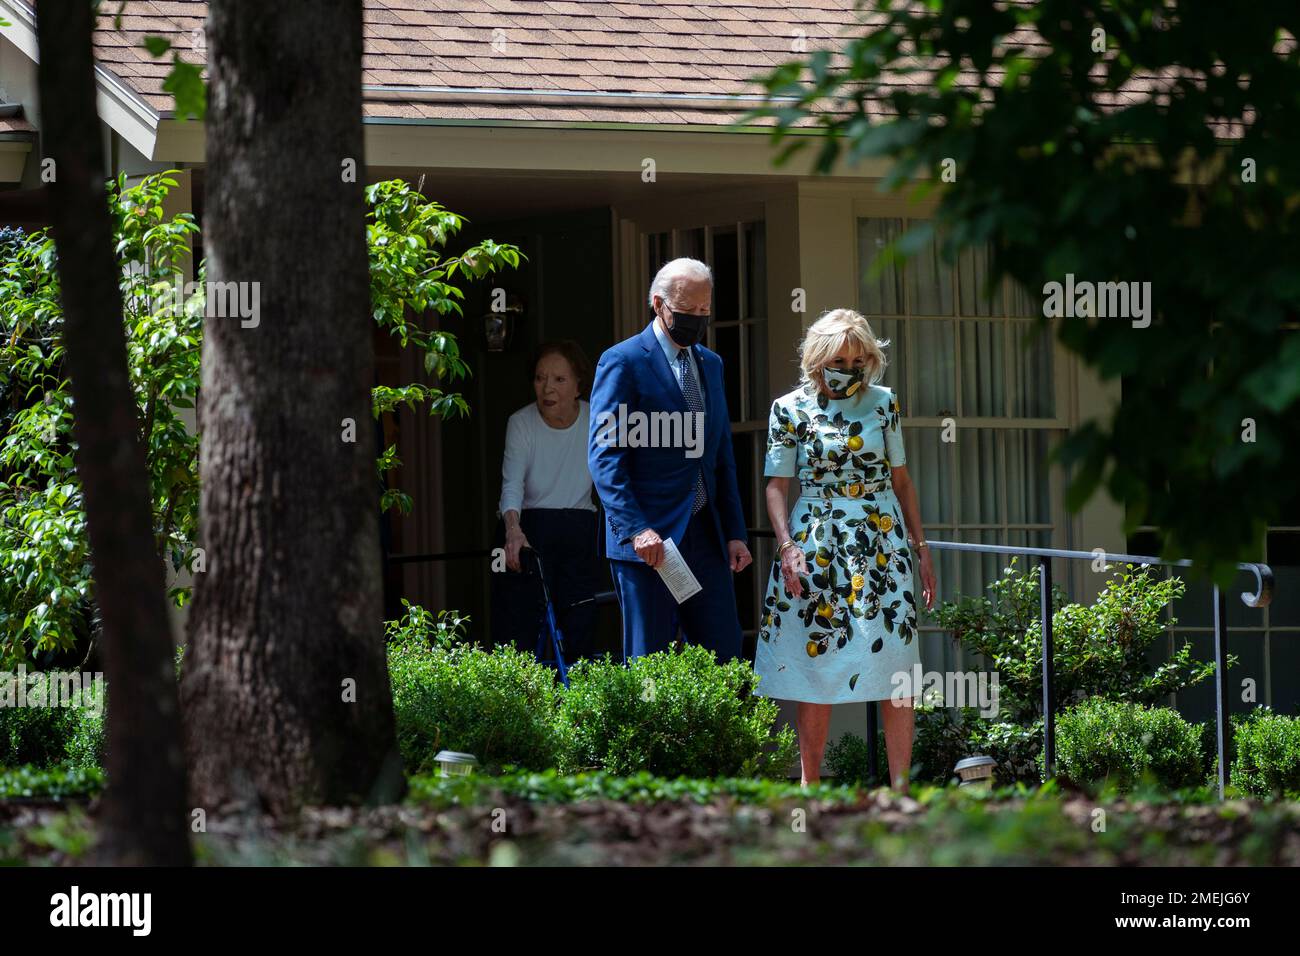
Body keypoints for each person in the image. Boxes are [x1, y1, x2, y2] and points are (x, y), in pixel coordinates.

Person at [755, 309, 937, 791]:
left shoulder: (883, 403)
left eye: (860, 358)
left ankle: (902, 793)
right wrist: (787, 546)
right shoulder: (788, 408)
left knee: (895, 664)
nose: (851, 367)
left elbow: (902, 481)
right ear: (818, 360)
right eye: (840, 358)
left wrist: (921, 548)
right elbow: (776, 487)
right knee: (818, 664)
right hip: (816, 540)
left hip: (881, 541)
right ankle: (810, 788)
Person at [587, 257, 752, 662]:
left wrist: (734, 532)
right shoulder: (622, 361)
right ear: (659, 304)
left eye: (704, 311)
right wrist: (636, 529)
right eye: (687, 311)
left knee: (724, 658)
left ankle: (718, 730)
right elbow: (605, 456)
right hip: (650, 541)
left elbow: (720, 457)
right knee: (650, 662)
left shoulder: (711, 365)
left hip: (705, 535)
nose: (697, 319)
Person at [492, 340, 600, 662]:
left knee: (580, 624)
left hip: (579, 527)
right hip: (529, 529)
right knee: (521, 628)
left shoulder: (598, 421)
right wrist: (513, 530)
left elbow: (616, 478)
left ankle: (576, 701)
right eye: (540, 378)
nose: (547, 388)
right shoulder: (521, 423)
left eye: (559, 379)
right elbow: (511, 484)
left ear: (578, 385)